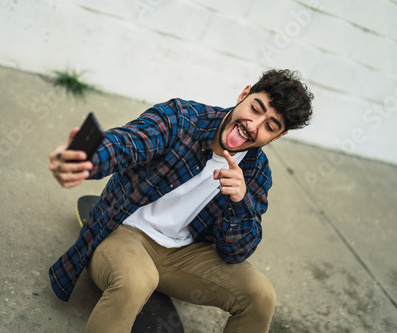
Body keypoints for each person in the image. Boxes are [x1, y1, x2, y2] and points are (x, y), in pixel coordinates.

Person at [48, 69, 313, 333]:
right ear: (243, 95)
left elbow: (236, 252)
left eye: (269, 126)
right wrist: (86, 158)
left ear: (277, 137)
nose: (253, 126)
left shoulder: (256, 173)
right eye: (255, 109)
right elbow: (129, 142)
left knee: (261, 297)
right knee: (138, 281)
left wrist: (239, 202)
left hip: (182, 253)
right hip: (124, 231)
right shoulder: (183, 118)